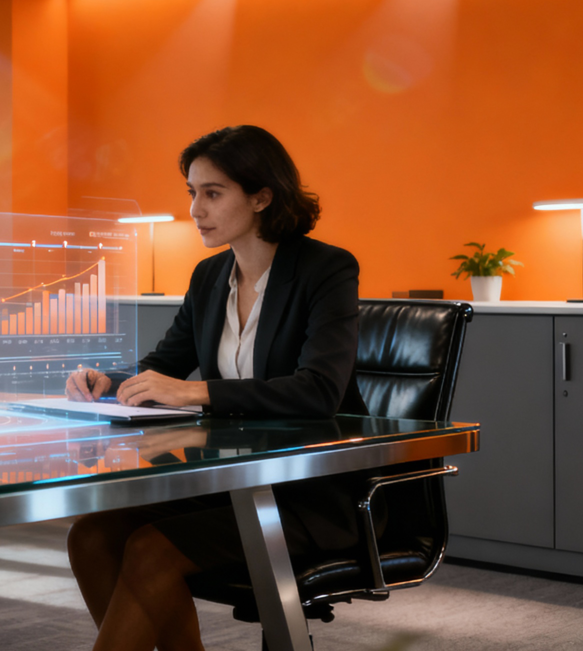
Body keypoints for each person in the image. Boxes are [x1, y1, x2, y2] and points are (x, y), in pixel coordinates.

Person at [63, 124, 367, 651]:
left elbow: (319, 390)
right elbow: (164, 363)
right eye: (191, 193)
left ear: (261, 196)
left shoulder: (326, 269)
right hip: (231, 482)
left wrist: (195, 393)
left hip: (310, 490)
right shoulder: (209, 277)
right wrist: (109, 380)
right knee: (91, 535)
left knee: (152, 549)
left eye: (212, 193)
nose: (195, 209)